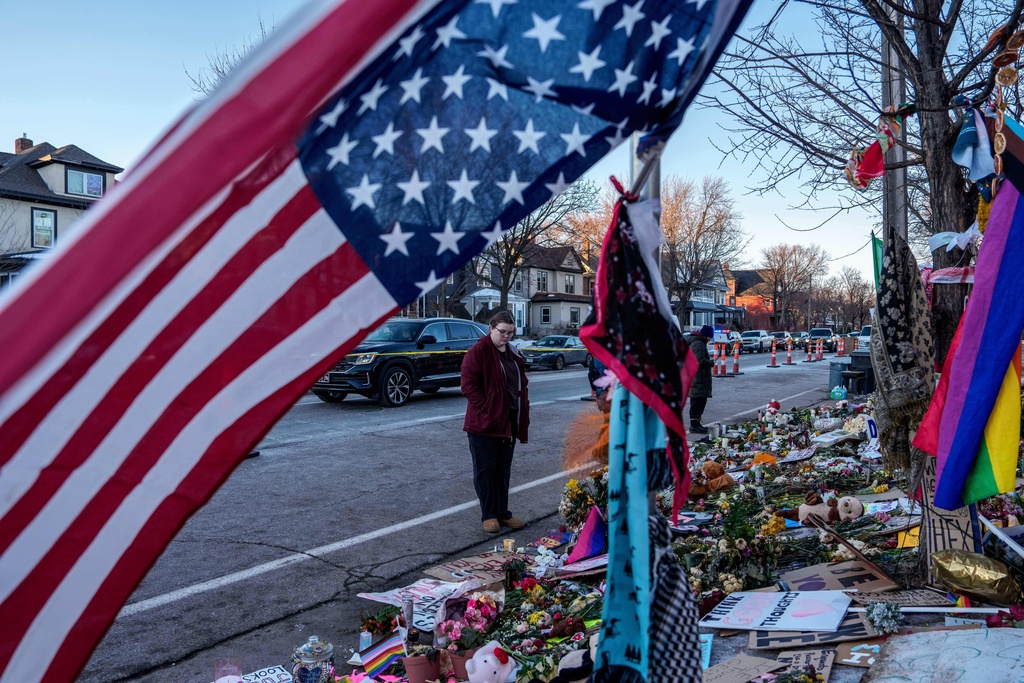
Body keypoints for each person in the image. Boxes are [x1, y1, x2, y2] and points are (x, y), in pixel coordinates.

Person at [461, 310, 531, 533]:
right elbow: (468, 385)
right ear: (491, 328)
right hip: (484, 424)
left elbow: (522, 384)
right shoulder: (478, 351)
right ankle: (489, 514)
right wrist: (488, 409)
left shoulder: (513, 353)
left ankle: (503, 512)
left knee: (503, 470)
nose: (506, 336)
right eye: (502, 332)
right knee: (486, 470)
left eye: (510, 332)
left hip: (508, 422)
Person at [686, 325, 715, 434]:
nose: (710, 340)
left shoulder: (698, 343)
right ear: (706, 335)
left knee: (699, 401)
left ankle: (697, 423)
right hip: (698, 377)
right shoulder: (698, 344)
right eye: (709, 337)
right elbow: (699, 361)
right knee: (698, 401)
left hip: (697, 377)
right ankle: (694, 425)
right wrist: (710, 363)